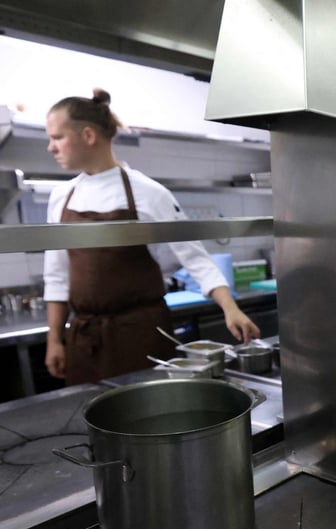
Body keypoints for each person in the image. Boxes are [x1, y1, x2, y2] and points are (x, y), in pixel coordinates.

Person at [42, 89, 260, 385]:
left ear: (89, 135)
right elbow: (56, 276)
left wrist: (230, 308)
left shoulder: (148, 193)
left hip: (140, 334)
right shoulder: (61, 197)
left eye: (57, 138)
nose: (50, 148)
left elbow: (193, 255)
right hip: (84, 338)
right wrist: (55, 339)